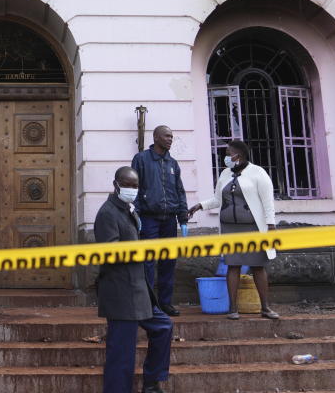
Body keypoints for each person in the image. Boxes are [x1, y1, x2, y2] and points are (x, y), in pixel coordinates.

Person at [95, 166, 173, 393]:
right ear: (116, 184)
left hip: (139, 290)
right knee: (122, 354)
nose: (132, 189)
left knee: (163, 327)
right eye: (127, 185)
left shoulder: (128, 209)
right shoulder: (107, 213)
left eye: (135, 186)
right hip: (120, 292)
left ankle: (151, 382)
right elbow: (109, 253)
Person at [187, 139, 279, 320]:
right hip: (230, 228)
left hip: (253, 228)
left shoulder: (258, 173)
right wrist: (199, 205)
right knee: (233, 266)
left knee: (258, 266)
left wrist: (271, 225)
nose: (226, 157)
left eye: (228, 154)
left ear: (239, 155)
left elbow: (268, 201)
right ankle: (232, 308)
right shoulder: (225, 174)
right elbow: (217, 200)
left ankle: (266, 307)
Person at [131, 125, 189, 316]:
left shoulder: (173, 163)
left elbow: (179, 191)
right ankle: (148, 304)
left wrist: (183, 218)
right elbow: (134, 189)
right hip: (149, 219)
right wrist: (136, 215)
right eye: (166, 136)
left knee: (168, 262)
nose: (170, 139)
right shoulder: (141, 159)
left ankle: (165, 303)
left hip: (169, 221)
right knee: (147, 263)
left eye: (172, 136)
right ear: (156, 137)